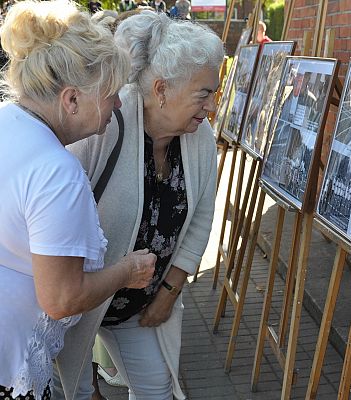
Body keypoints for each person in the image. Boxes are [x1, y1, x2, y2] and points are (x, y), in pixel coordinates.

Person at [55, 10, 224, 400]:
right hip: (78, 304)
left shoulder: (199, 137)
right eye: (204, 93)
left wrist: (168, 292)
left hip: (138, 307)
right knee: (74, 393)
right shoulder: (106, 121)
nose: (212, 106)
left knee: (158, 390)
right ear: (162, 89)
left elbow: (201, 217)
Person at [0, 1, 156, 399]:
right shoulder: (57, 171)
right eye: (110, 96)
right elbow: (62, 298)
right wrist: (127, 271)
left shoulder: (7, 122)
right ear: (71, 100)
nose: (118, 106)